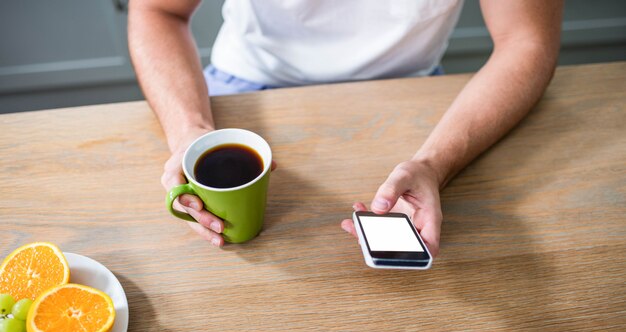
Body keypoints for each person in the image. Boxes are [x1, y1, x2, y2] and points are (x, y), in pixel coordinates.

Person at [128, 0, 563, 254]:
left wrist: (435, 163)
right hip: (241, 92)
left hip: (413, 100)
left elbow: (527, 40)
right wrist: (189, 130)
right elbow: (158, 9)